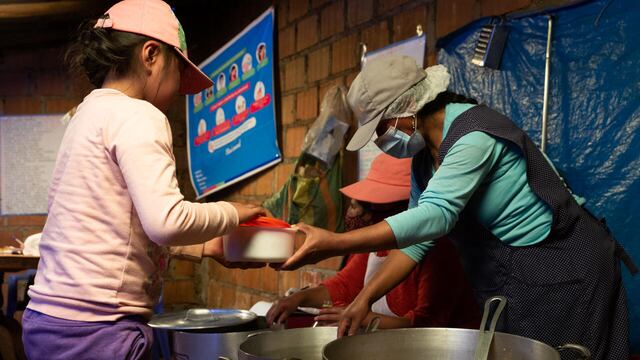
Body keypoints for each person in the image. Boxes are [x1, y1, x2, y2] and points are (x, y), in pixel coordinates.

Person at [280, 55, 630, 359]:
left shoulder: (474, 135)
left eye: (381, 127)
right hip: (518, 276)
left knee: (568, 354)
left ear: (407, 109)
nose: (379, 139)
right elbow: (416, 241)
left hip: (565, 265)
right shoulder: (424, 160)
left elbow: (436, 217)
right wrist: (365, 299)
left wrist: (333, 242)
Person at [21, 1, 265, 359]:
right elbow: (166, 222)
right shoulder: (138, 114)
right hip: (98, 328)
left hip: (50, 323)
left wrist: (203, 246)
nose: (181, 90)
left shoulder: (86, 114)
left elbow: (115, 225)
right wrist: (232, 211)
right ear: (151, 54)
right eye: (179, 74)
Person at [266, 153, 479, 330]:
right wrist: (298, 299)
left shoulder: (438, 252)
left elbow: (428, 327)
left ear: (408, 209)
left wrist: (364, 317)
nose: (362, 213)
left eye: (373, 206)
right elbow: (344, 286)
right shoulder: (371, 245)